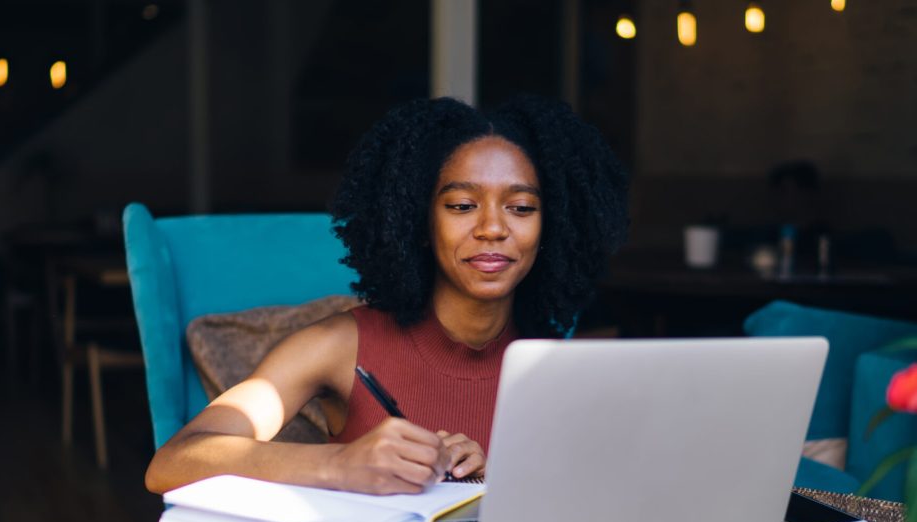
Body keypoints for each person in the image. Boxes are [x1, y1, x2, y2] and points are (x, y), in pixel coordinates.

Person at [145, 95, 629, 496]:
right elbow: (173, 462)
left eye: (521, 208)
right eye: (462, 205)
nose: (493, 228)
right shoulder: (339, 345)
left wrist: (489, 481)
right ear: (418, 221)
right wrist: (339, 464)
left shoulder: (550, 365)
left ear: (552, 228)